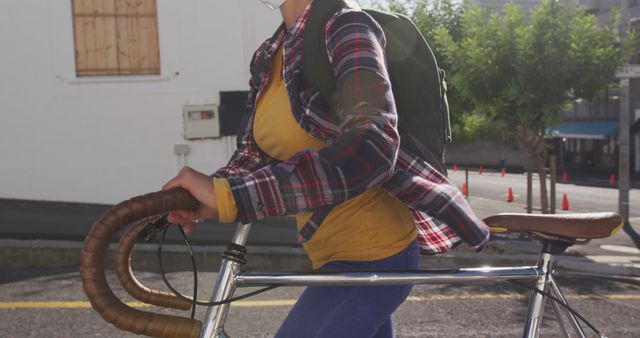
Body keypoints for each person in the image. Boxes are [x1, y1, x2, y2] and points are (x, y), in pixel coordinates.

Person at [162, 0, 490, 337]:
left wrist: (231, 197)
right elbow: (252, 155)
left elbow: (373, 145)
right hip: (328, 255)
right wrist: (200, 196)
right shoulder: (269, 54)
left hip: (373, 252)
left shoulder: (348, 26)